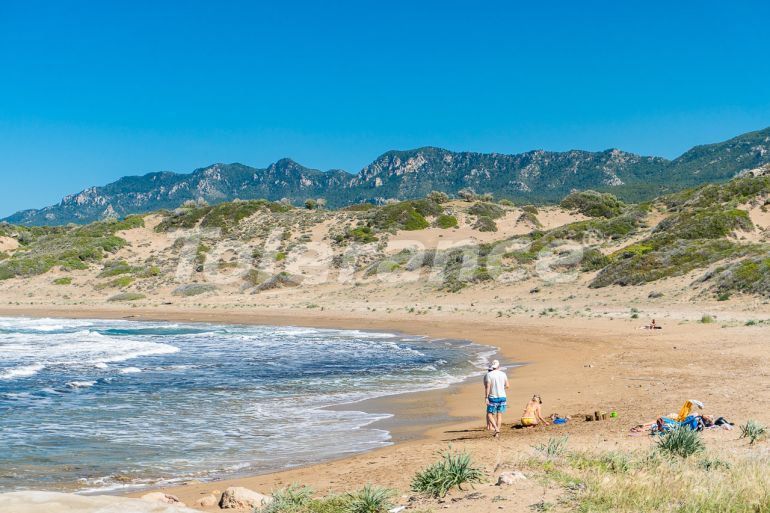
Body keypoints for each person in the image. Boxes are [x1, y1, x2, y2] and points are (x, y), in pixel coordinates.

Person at [483, 360, 509, 437]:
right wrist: (501, 387)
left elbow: (487, 387)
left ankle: (496, 428)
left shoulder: (489, 375)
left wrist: (486, 397)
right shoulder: (503, 374)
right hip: (502, 397)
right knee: (499, 415)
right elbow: (507, 386)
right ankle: (497, 433)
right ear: (499, 366)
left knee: (489, 414)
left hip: (493, 397)